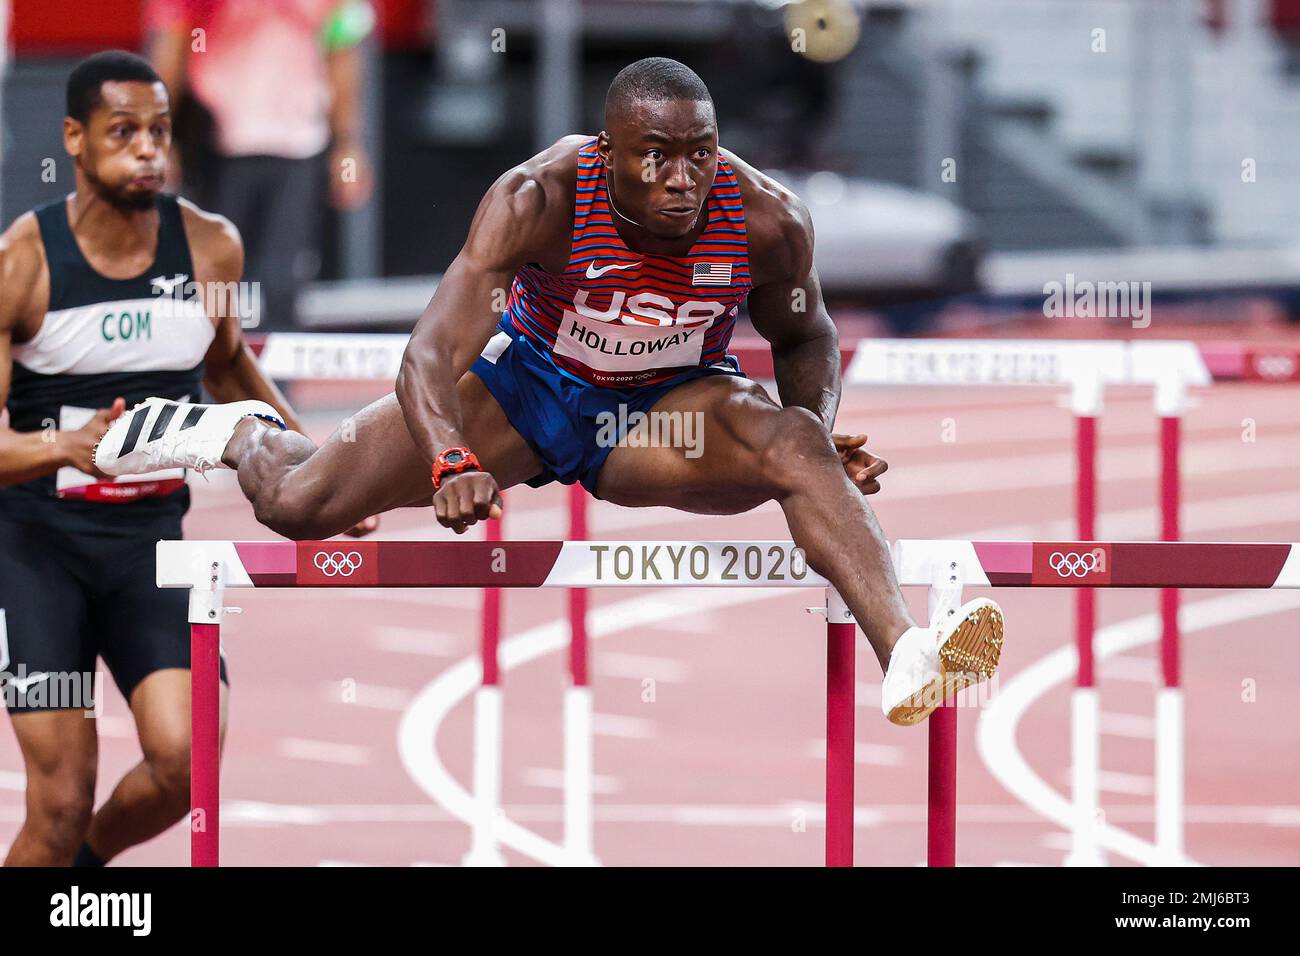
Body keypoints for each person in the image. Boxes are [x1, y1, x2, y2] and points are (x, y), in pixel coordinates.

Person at [97, 57, 1006, 727]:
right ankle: (237, 430)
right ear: (611, 150)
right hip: (526, 390)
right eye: (657, 157)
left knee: (796, 450)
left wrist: (818, 426)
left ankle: (908, 652)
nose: (683, 179)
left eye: (701, 154)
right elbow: (426, 353)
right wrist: (452, 454)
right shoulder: (539, 197)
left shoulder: (765, 219)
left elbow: (806, 334)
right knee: (300, 503)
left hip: (666, 410)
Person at [0, 50, 308, 866]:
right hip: (37, 551)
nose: (148, 150)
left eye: (161, 133)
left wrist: (316, 464)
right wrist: (65, 446)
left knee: (186, 764)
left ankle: (83, 874)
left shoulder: (210, 249)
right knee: (59, 803)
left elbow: (228, 366)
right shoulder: (22, 265)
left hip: (153, 553)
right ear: (74, 138)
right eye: (124, 132)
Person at [147, 0, 376, 330]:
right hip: (216, 146)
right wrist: (160, 136)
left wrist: (348, 145)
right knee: (208, 276)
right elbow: (171, 50)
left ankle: (274, 382)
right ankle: (205, 375)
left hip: (298, 146)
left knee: (282, 280)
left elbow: (342, 54)